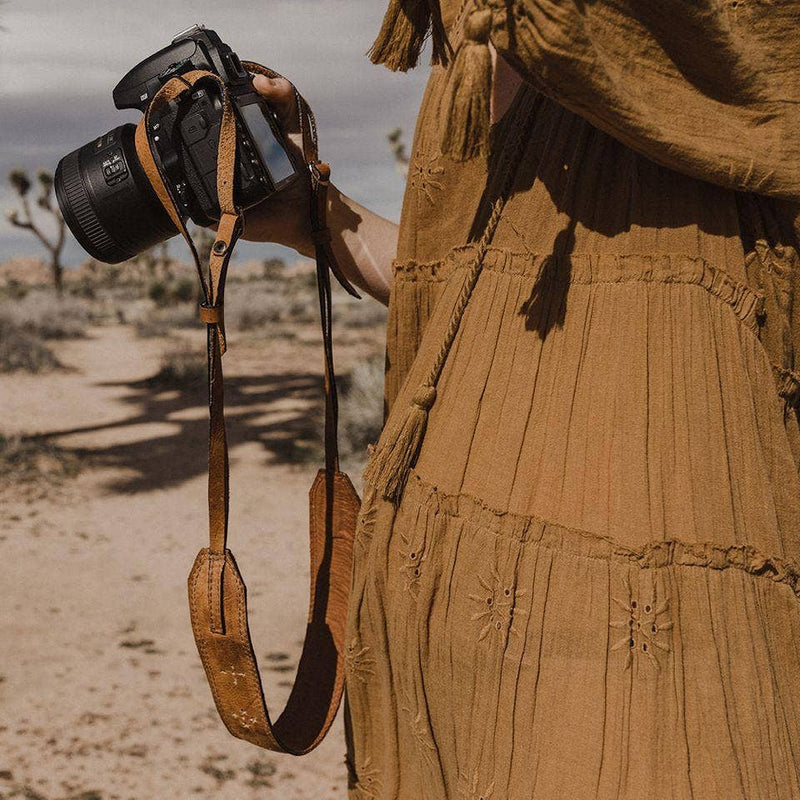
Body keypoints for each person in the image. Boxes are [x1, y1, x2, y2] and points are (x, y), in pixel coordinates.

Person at [245, 0, 800, 796]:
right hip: (438, 672)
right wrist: (316, 214)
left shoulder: (689, 35)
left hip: (635, 677)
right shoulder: (492, 40)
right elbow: (470, 290)